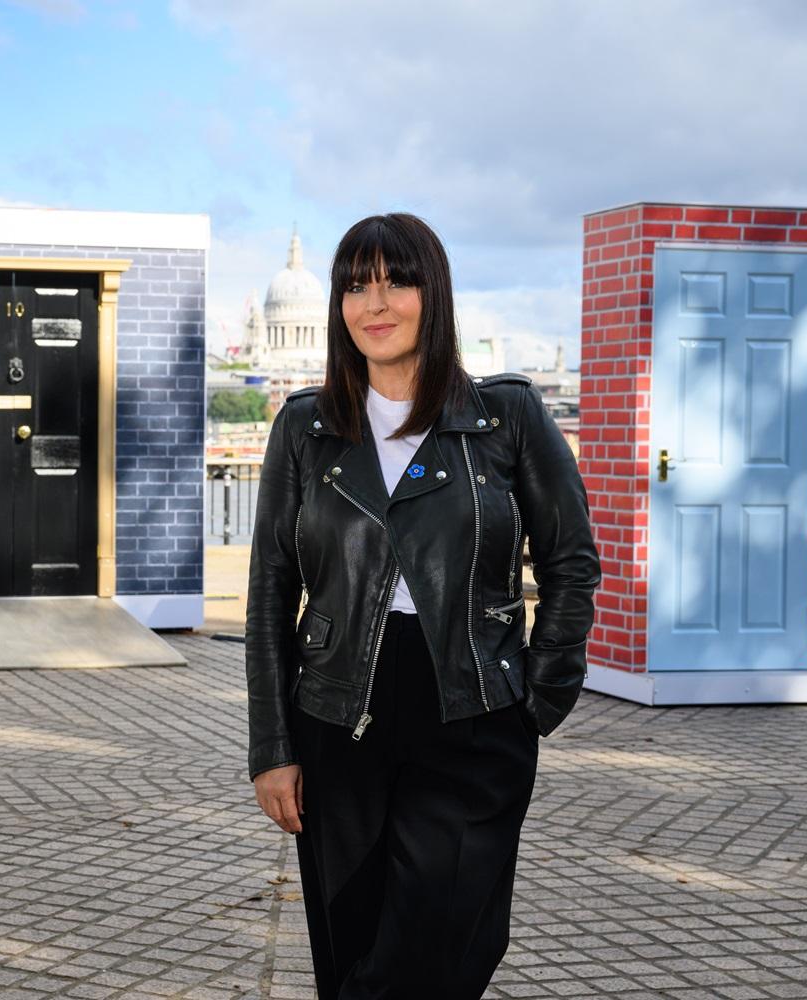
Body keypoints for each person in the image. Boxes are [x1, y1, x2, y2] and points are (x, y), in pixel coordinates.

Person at [244, 213, 600, 999]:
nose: (375, 302)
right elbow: (271, 588)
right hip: (339, 714)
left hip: (473, 711)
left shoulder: (506, 415)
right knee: (354, 945)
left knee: (441, 946)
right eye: (354, 285)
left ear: (431, 294)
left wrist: (537, 699)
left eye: (396, 280)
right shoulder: (306, 428)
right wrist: (272, 746)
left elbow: (572, 562)